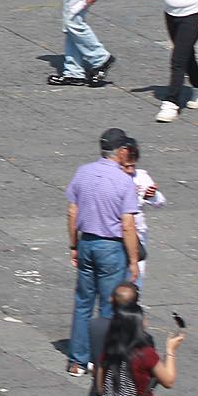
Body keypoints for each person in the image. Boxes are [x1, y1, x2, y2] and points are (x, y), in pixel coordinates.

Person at [68, 129, 145, 377]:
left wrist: (74, 246)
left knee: (82, 303)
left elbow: (72, 212)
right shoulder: (124, 181)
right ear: (121, 151)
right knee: (110, 306)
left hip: (87, 242)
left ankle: (77, 361)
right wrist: (134, 261)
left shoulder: (83, 172)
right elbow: (128, 225)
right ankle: (102, 360)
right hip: (111, 247)